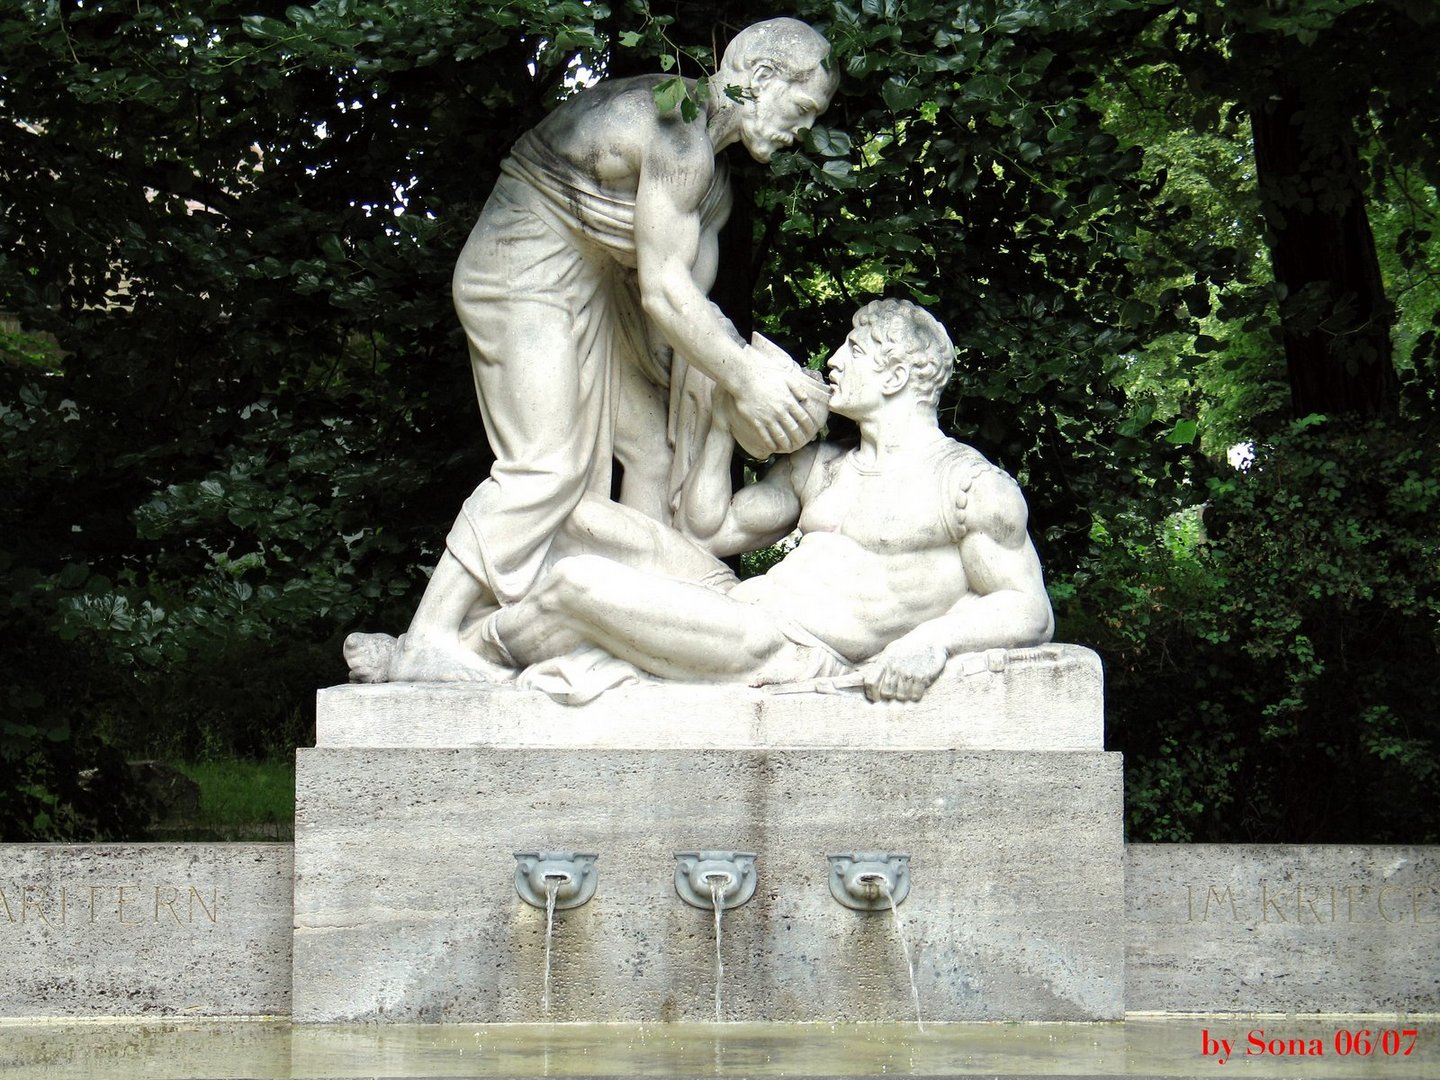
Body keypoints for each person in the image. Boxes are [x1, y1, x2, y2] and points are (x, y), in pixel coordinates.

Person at [361, 18, 839, 684]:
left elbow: (679, 328)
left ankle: (633, 632)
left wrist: (752, 389)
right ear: (760, 77)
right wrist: (748, 379)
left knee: (652, 448)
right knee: (546, 466)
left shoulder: (716, 190)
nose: (805, 129)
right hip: (522, 267)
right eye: (805, 108)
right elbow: (669, 298)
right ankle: (428, 638)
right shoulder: (680, 139)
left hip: (599, 292)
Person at [490, 299, 1055, 703]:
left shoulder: (966, 486)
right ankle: (451, 639)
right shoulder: (820, 465)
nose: (832, 360)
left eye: (853, 350)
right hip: (738, 607)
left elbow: (1028, 608)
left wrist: (929, 643)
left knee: (578, 583)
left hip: (789, 648)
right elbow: (709, 532)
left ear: (896, 376)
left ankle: (476, 655)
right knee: (576, 516)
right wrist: (721, 423)